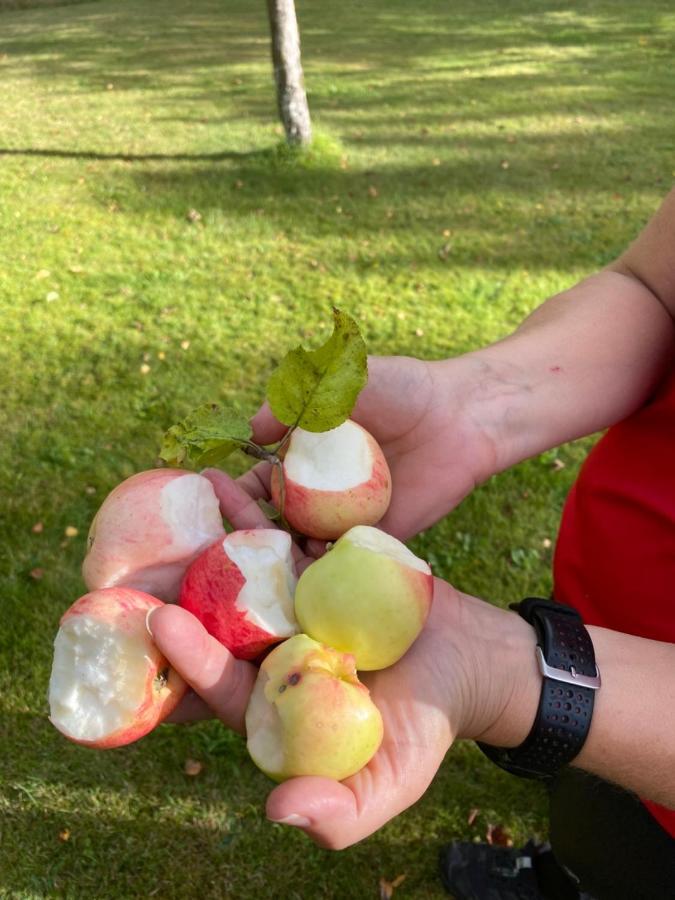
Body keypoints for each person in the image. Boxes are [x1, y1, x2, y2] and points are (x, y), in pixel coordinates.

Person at [147, 188, 675, 898]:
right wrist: (471, 406)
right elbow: (654, 289)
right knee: (590, 824)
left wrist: (519, 677)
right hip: (591, 626)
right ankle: (558, 874)